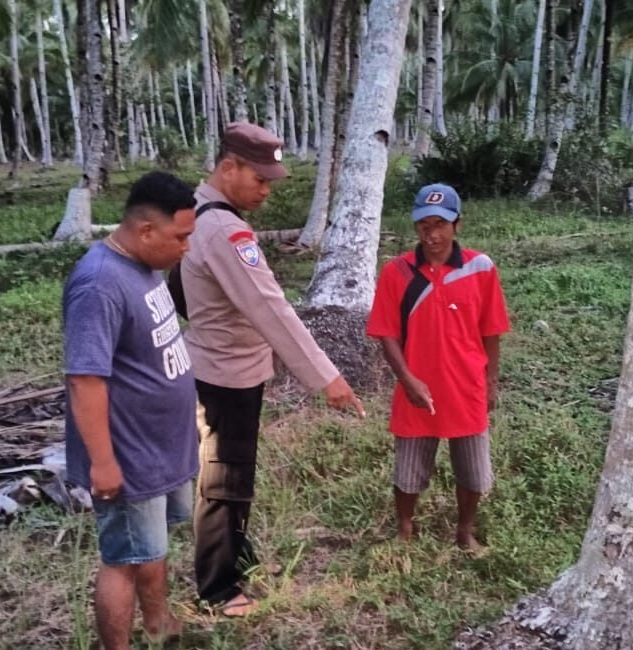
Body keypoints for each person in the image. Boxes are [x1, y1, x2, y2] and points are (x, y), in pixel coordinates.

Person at [178, 121, 365, 617]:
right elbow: (271, 309)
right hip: (227, 373)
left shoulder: (194, 213)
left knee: (231, 473)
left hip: (210, 360)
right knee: (224, 477)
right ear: (228, 167)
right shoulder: (225, 230)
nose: (265, 189)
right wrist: (327, 378)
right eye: (258, 178)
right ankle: (218, 589)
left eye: (270, 180)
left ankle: (237, 557)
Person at [62, 170, 198, 650]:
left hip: (161, 447)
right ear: (146, 231)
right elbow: (84, 379)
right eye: (181, 237)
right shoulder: (98, 285)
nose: (186, 247)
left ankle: (160, 624)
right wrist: (103, 461)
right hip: (128, 454)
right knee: (122, 557)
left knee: (151, 544)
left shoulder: (144, 264)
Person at [366, 183, 511, 556]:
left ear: (456, 225)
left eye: (441, 224)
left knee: (474, 471)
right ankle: (404, 530)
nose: (432, 234)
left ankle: (465, 532)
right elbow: (386, 334)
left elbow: (491, 330)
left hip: (467, 387)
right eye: (424, 225)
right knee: (409, 470)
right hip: (418, 389)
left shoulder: (480, 268)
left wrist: (491, 381)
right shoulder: (397, 272)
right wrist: (408, 379)